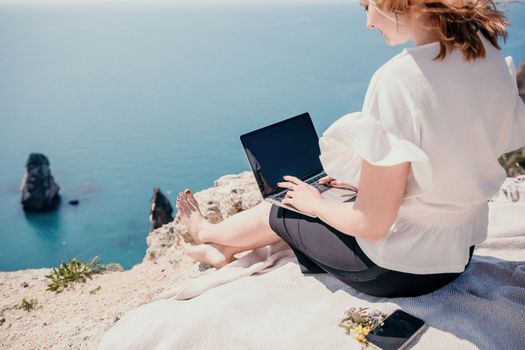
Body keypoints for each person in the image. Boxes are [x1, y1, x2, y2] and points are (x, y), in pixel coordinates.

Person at [175, 0, 525, 298]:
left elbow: (370, 225)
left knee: (285, 208)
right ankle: (221, 247)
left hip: (397, 272)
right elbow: (453, 153)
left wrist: (315, 205)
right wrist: (367, 187)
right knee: (327, 195)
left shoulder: (398, 79)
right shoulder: (487, 53)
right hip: (459, 255)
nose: (369, 22)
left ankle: (208, 234)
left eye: (368, 6)